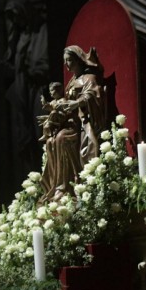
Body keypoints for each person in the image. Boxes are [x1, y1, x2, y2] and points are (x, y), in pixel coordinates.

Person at [0, 0, 49, 180]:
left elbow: (42, 65)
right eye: (12, 18)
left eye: (16, 15)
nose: (16, 21)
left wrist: (30, 70)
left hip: (38, 93)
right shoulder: (21, 36)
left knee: (42, 136)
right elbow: (14, 70)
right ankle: (34, 181)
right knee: (25, 140)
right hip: (23, 94)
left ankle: (49, 179)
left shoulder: (41, 32)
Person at [40, 45, 106, 202]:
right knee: (50, 141)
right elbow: (65, 102)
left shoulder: (89, 78)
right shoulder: (71, 82)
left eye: (69, 60)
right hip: (69, 121)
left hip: (82, 123)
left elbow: (93, 95)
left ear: (78, 60)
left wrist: (76, 103)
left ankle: (66, 187)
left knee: (62, 138)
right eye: (65, 61)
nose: (66, 64)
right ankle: (55, 185)